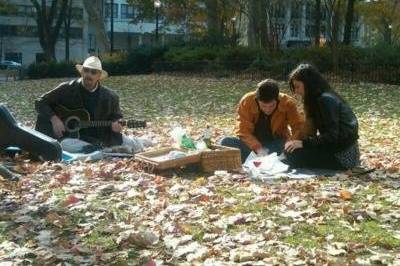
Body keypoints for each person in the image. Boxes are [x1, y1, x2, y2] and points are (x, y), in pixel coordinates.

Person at [35, 56, 146, 153]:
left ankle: (141, 142)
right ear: (82, 72)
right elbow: (40, 101)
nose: (89, 74)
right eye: (86, 70)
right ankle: (102, 151)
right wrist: (54, 119)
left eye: (93, 72)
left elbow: (117, 117)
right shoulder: (67, 88)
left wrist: (117, 124)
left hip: (101, 135)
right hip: (74, 138)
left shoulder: (111, 97)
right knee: (64, 145)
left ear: (99, 76)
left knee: (136, 145)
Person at [284, 63, 360, 170]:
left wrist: (303, 143)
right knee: (290, 151)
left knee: (292, 155)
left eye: (297, 87)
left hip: (343, 155)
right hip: (335, 148)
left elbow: (331, 136)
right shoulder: (316, 100)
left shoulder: (326, 100)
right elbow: (310, 131)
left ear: (309, 84)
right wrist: (296, 141)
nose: (296, 92)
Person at [221, 79, 304, 162]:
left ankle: (260, 160)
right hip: (251, 146)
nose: (268, 110)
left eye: (272, 106)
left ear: (277, 99)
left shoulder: (288, 103)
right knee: (226, 142)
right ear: (257, 100)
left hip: (275, 143)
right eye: (264, 106)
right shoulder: (247, 101)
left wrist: (290, 143)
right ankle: (268, 160)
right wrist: (258, 149)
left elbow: (298, 127)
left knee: (295, 148)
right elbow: (242, 130)